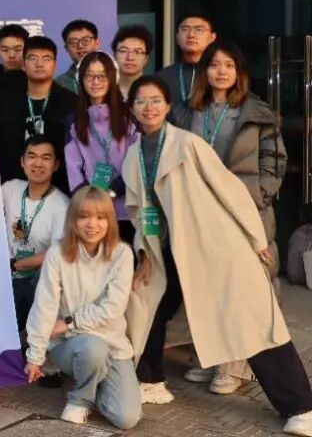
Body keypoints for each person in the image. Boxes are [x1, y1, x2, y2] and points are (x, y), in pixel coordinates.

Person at [123, 77, 312, 436]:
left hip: (213, 245)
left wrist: (255, 237)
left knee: (251, 321)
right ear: (131, 108)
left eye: (156, 100)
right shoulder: (134, 155)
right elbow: (141, 211)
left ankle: (300, 406)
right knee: (148, 303)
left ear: (167, 106)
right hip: (167, 249)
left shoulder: (187, 144)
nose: (148, 107)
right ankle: (149, 380)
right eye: (141, 101)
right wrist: (144, 252)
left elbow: (230, 190)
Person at [172, 42, 287, 395]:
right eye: (214, 64)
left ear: (239, 72)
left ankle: (235, 366)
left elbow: (274, 161)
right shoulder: (185, 111)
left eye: (229, 65)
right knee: (208, 286)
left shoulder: (257, 112)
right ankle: (215, 357)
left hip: (243, 211)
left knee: (244, 288)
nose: (221, 71)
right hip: (198, 212)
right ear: (204, 71)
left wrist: (256, 198)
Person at [25, 187, 140, 430]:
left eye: (101, 217)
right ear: (73, 220)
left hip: (111, 344)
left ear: (110, 221)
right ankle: (81, 398)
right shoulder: (57, 254)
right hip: (69, 344)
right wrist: (35, 355)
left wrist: (70, 322)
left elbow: (112, 309)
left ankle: (93, 378)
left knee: (126, 418)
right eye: (83, 216)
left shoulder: (122, 254)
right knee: (91, 348)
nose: (92, 224)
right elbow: (44, 305)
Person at [65, 52, 139, 243]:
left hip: (127, 209)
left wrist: (112, 192)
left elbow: (137, 162)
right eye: (89, 76)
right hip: (91, 214)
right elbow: (73, 169)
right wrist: (91, 201)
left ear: (113, 78)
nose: (95, 82)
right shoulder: (73, 120)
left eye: (102, 76)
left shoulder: (130, 116)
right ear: (81, 80)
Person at [2, 136, 69, 332]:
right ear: (22, 162)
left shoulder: (62, 205)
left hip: (37, 281)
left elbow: (56, 253)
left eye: (46, 158)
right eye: (31, 156)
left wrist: (15, 264)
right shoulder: (10, 189)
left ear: (56, 165)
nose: (37, 163)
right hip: (6, 277)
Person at [0, 36, 76, 191]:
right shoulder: (5, 103)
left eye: (46, 58)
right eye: (33, 58)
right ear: (24, 64)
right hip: (13, 188)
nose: (39, 64)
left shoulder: (71, 103)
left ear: (55, 65)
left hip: (60, 188)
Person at [156, 12, 216, 104]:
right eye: (185, 29)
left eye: (199, 29)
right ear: (177, 37)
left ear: (212, 38)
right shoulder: (163, 77)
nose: (191, 35)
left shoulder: (221, 74)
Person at [56, 20, 100, 94]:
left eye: (86, 40)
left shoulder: (114, 76)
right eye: (73, 42)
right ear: (66, 48)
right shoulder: (59, 84)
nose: (80, 46)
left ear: (97, 43)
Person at [112, 25, 153, 100]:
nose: (130, 58)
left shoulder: (154, 92)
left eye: (137, 52)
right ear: (114, 56)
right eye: (123, 51)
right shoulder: (104, 92)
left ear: (146, 59)